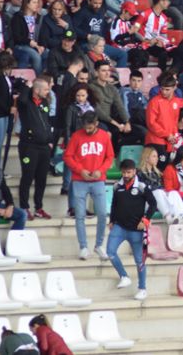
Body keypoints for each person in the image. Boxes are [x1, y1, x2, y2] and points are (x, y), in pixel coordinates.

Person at [63, 111, 112, 261]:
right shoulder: (77, 136)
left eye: (90, 127)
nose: (88, 130)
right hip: (79, 180)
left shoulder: (104, 136)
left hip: (98, 180)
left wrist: (101, 170)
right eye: (86, 127)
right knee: (79, 216)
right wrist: (80, 170)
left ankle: (99, 245)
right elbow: (67, 156)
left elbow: (110, 156)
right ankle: (83, 247)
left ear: (96, 123)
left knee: (103, 214)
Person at [107, 158, 155, 300]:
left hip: (136, 230)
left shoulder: (142, 186)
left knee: (139, 260)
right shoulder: (117, 186)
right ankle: (124, 276)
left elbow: (153, 204)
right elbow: (114, 205)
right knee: (110, 252)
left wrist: (145, 219)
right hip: (120, 227)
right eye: (124, 172)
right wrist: (112, 220)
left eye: (129, 172)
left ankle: (142, 288)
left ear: (134, 171)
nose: (126, 175)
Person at [17, 78, 53, 219]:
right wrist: (28, 87)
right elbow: (22, 100)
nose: (47, 91)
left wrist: (50, 140)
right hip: (29, 146)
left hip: (44, 147)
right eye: (45, 89)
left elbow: (47, 121)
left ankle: (39, 207)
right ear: (36, 90)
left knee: (41, 179)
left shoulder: (44, 102)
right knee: (27, 176)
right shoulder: (25, 103)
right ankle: (24, 207)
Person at [11, 0, 46, 72]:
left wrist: (42, 46)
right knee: (36, 56)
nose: (37, 5)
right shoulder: (18, 17)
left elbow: (43, 35)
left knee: (48, 53)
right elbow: (17, 36)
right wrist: (29, 42)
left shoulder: (39, 18)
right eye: (34, 2)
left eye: (37, 2)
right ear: (27, 3)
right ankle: (37, 80)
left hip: (36, 45)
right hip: (22, 45)